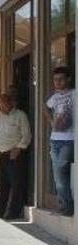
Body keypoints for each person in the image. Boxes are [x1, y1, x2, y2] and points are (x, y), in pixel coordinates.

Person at [0, 94, 31, 220]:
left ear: (10, 103)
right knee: (1, 184)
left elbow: (26, 134)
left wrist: (19, 148)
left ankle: (13, 212)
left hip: (14, 154)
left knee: (16, 184)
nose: (0, 107)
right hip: (2, 154)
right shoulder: (0, 117)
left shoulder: (20, 115)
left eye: (3, 104)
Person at [45, 66, 75, 216]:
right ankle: (64, 203)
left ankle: (67, 206)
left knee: (60, 171)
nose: (58, 82)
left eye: (61, 79)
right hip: (55, 139)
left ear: (68, 79)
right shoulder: (55, 97)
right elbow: (45, 107)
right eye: (55, 80)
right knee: (57, 173)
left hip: (69, 139)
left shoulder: (74, 94)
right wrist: (51, 121)